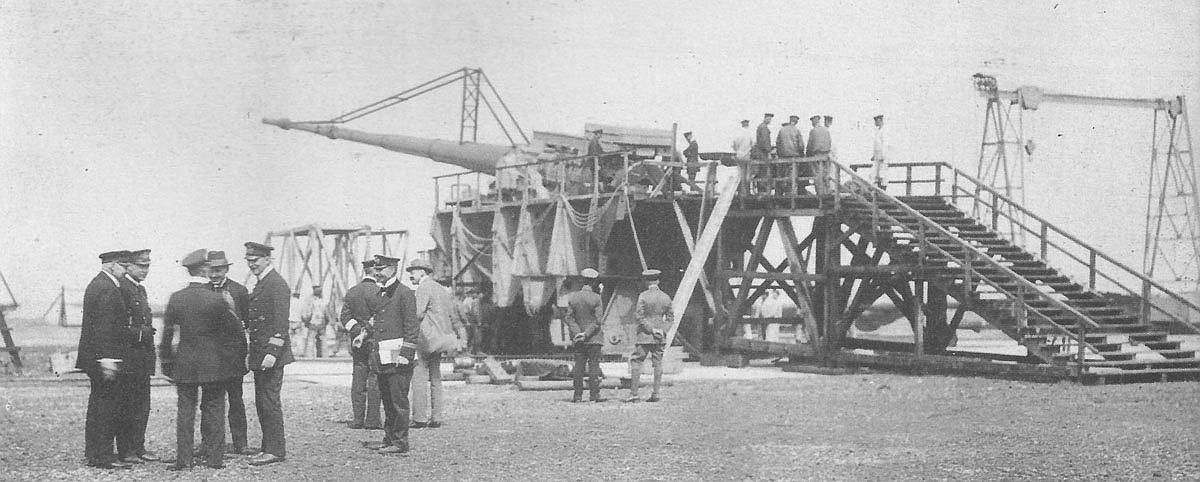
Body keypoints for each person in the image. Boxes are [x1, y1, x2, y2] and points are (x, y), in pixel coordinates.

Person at [159, 249, 248, 471]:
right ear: (205, 269)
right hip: (214, 364)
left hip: (185, 363)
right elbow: (235, 333)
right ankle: (215, 460)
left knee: (185, 411)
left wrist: (167, 364)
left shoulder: (176, 298)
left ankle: (184, 460)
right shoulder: (218, 299)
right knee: (214, 408)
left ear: (190, 271)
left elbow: (167, 335)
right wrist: (234, 359)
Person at [77, 250, 135, 469]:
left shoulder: (100, 284)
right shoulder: (107, 288)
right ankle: (102, 456)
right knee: (106, 407)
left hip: (97, 357)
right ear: (111, 264)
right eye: (124, 266)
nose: (126, 271)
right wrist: (107, 358)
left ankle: (95, 453)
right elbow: (104, 328)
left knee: (99, 405)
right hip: (104, 358)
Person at [358, 255, 420, 455]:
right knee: (387, 399)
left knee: (398, 401)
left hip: (398, 357)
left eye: (381, 269)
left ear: (393, 269)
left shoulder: (405, 293)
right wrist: (363, 334)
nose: (377, 273)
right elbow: (377, 320)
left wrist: (406, 354)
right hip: (382, 356)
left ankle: (400, 442)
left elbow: (412, 327)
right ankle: (389, 438)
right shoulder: (380, 293)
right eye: (376, 270)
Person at [243, 241, 294, 466]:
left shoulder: (277, 284)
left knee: (269, 402)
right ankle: (268, 447)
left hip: (270, 355)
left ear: (267, 259)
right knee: (262, 401)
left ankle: (275, 450)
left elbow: (281, 324)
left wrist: (272, 352)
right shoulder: (263, 283)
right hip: (260, 354)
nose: (251, 264)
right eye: (248, 261)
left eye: (255, 260)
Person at [206, 250, 256, 456]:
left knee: (236, 399)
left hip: (234, 356)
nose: (214, 274)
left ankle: (240, 443)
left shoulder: (239, 291)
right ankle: (209, 444)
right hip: (210, 356)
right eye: (211, 270)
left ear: (226, 269)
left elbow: (248, 322)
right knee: (209, 402)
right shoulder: (203, 290)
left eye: (218, 270)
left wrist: (246, 352)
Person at [407, 260, 467, 429]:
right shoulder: (442, 289)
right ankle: (437, 417)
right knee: (435, 377)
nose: (410, 275)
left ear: (423, 272)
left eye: (413, 271)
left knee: (418, 378)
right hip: (440, 339)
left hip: (425, 340)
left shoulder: (424, 287)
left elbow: (418, 314)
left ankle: (419, 418)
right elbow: (452, 316)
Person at [114, 249, 158, 465]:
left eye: (147, 266)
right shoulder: (121, 288)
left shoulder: (140, 289)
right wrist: (142, 333)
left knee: (142, 404)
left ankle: (138, 447)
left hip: (142, 357)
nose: (145, 270)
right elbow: (118, 325)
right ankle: (126, 450)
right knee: (128, 405)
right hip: (129, 357)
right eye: (141, 266)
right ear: (128, 266)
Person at [340, 259, 383, 430]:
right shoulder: (380, 292)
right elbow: (381, 318)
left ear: (364, 271)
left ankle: (358, 419)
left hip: (357, 343)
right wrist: (367, 332)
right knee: (374, 379)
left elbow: (344, 317)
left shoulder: (352, 291)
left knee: (358, 378)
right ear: (376, 272)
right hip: (375, 341)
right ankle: (372, 420)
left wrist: (358, 332)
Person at [627, 269, 673, 403]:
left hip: (645, 336)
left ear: (646, 281)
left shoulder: (643, 296)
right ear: (658, 281)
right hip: (660, 337)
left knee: (636, 361)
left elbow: (639, 316)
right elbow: (670, 318)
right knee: (658, 364)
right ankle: (656, 393)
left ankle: (634, 394)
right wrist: (662, 330)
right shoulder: (666, 297)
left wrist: (651, 330)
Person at [564, 268, 605, 403]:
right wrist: (586, 334)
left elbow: (569, 318)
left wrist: (578, 333)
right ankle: (594, 395)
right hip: (594, 338)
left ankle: (577, 396)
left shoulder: (573, 297)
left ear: (581, 281)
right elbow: (598, 321)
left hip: (578, 340)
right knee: (594, 366)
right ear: (594, 282)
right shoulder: (597, 298)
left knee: (579, 366)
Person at [775, 115, 805, 194]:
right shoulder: (796, 130)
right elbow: (801, 145)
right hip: (793, 157)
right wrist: (801, 155)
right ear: (796, 122)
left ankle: (779, 193)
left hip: (782, 157)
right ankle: (790, 193)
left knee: (782, 175)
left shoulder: (782, 130)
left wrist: (780, 153)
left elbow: (778, 143)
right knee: (792, 175)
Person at [752, 113, 775, 194]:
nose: (769, 121)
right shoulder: (764, 127)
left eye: (770, 119)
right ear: (765, 118)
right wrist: (769, 151)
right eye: (768, 119)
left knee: (762, 171)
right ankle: (763, 190)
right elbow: (765, 141)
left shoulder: (761, 127)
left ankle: (761, 190)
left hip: (760, 152)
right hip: (762, 153)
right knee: (764, 171)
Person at [307, 286, 329, 357]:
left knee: (311, 339)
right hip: (322, 323)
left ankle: (310, 355)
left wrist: (307, 321)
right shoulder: (323, 302)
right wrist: (326, 322)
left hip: (313, 323)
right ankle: (324, 354)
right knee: (323, 339)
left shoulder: (311, 302)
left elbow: (309, 313)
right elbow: (326, 314)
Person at [871, 114, 890, 189]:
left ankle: (883, 191)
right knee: (876, 175)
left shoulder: (885, 131)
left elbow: (885, 144)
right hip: (877, 157)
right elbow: (876, 144)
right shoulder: (878, 131)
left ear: (880, 120)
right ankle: (878, 191)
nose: (875, 122)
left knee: (882, 175)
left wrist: (883, 156)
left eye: (876, 120)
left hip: (883, 157)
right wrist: (874, 155)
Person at [288, 291, 307, 356]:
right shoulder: (301, 302)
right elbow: (304, 315)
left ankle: (291, 352)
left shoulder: (289, 302)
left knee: (290, 337)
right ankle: (300, 352)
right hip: (298, 321)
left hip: (290, 321)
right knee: (299, 337)